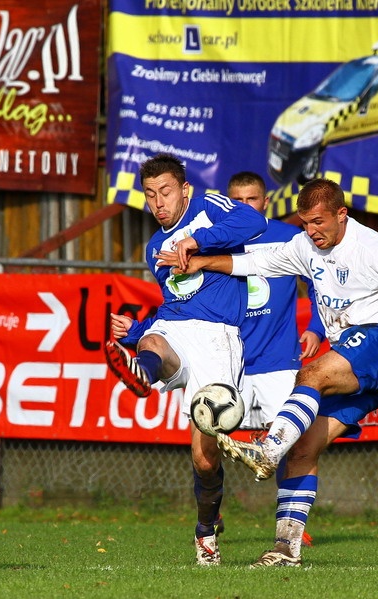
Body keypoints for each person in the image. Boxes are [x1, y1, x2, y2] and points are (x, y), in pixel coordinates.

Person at [156, 177, 378, 568]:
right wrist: (203, 261)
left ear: (342, 214)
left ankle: (269, 449)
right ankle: (286, 549)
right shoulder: (304, 246)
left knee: (310, 377)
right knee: (303, 450)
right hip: (358, 362)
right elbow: (256, 262)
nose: (312, 230)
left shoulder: (371, 246)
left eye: (319, 221)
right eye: (305, 222)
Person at [104, 153, 266, 566]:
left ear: (185, 190)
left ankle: (206, 530)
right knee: (154, 342)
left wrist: (197, 241)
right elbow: (171, 304)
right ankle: (143, 372)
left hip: (218, 340)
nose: (159, 202)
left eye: (166, 192)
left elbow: (254, 222)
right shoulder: (154, 247)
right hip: (176, 329)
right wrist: (136, 330)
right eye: (150, 195)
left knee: (203, 457)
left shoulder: (209, 207)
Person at [226, 171, 324, 431]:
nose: (244, 206)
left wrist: (316, 328)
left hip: (278, 358)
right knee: (212, 448)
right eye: (237, 200)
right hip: (227, 360)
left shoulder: (290, 238)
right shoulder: (215, 242)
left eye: (252, 199)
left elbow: (319, 284)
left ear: (265, 202)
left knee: (290, 443)